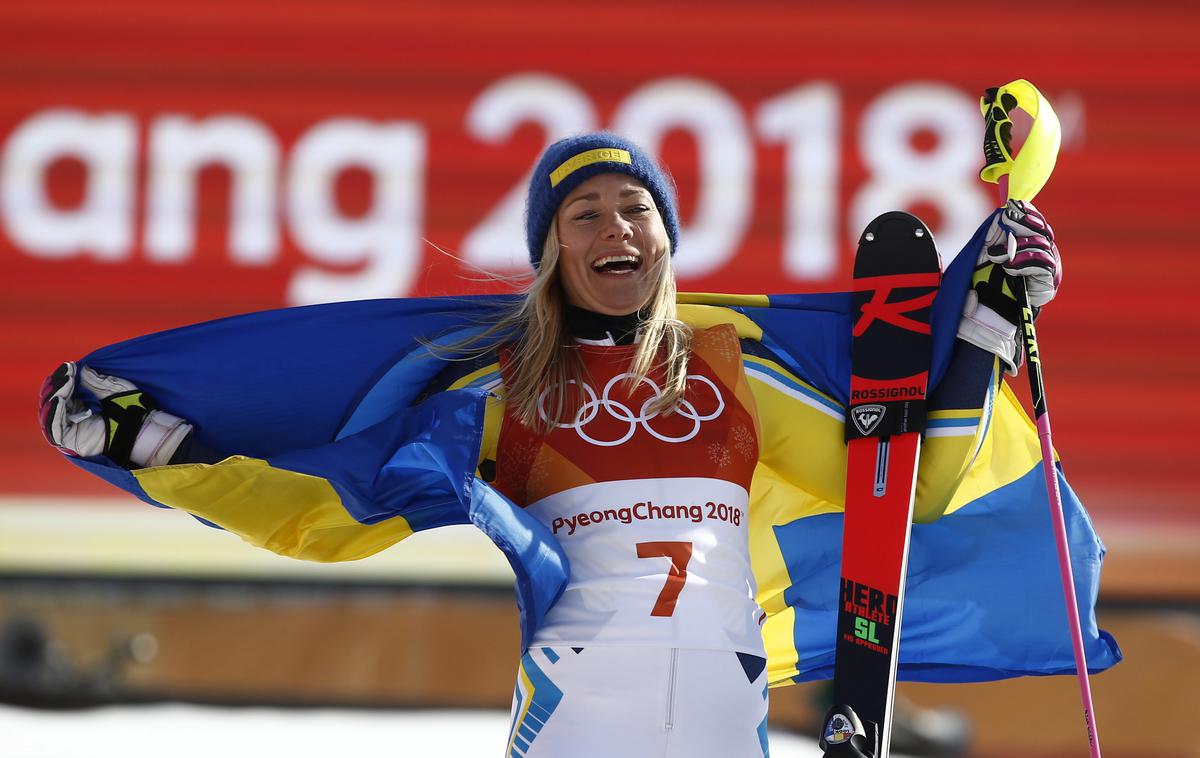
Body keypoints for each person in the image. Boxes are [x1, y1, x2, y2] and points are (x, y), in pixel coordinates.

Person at [40, 133, 1083, 757]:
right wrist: (159, 446)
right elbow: (333, 509)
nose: (612, 225)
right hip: (578, 709)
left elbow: (910, 484)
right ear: (551, 257)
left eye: (635, 207)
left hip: (727, 706)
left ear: (668, 241)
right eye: (581, 213)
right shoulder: (500, 390)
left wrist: (984, 321)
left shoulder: (736, 366)